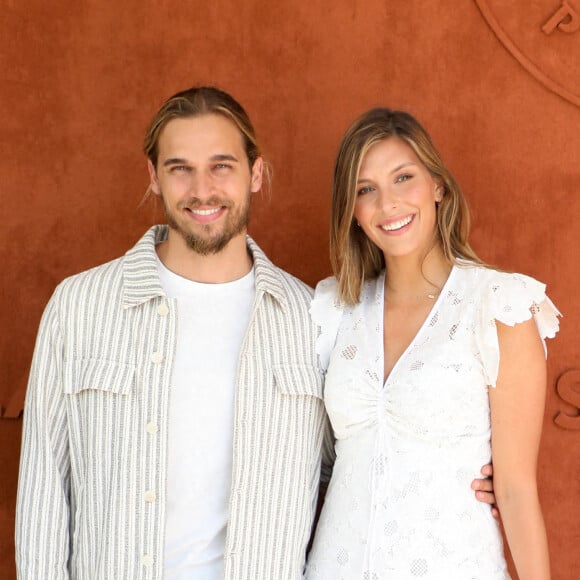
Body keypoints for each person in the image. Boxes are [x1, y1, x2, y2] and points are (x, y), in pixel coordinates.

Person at [15, 87, 496, 580]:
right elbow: (43, 494)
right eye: (180, 167)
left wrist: (459, 472)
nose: (202, 189)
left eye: (222, 165)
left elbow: (361, 450)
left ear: (256, 173)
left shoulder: (311, 317)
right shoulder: (80, 307)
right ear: (154, 177)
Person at [305, 108, 560, 579]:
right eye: (366, 189)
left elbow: (515, 490)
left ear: (437, 186)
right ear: (353, 211)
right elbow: (308, 457)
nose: (389, 204)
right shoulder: (332, 310)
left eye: (404, 177)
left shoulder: (497, 305)